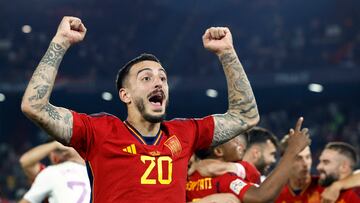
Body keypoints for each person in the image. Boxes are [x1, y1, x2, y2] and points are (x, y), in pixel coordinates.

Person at [21, 16, 260, 202]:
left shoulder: (185, 132)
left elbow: (246, 116)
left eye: (163, 79)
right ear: (124, 95)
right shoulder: (99, 131)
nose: (158, 83)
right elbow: (35, 106)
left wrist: (227, 53)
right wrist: (60, 42)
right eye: (146, 78)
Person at [186, 117, 311, 203]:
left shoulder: (185, 178)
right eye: (234, 140)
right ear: (219, 151)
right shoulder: (225, 179)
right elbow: (261, 196)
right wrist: (293, 150)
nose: (240, 144)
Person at [276, 138, 360, 203]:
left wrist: (337, 185)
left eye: (308, 157)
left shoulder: (325, 185)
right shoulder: (274, 194)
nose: (305, 163)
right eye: (298, 158)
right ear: (284, 161)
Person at [19, 146, 90, 203]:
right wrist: (55, 144)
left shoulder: (51, 172)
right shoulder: (50, 172)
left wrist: (54, 144)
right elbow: (25, 161)